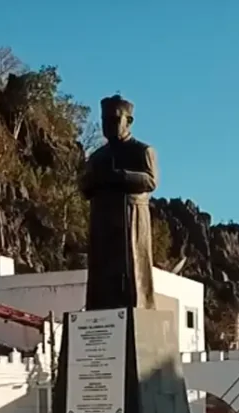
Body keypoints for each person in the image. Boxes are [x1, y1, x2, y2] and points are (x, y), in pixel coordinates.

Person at [81, 94, 158, 310]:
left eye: (115, 120)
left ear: (128, 121)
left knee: (133, 272)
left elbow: (151, 181)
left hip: (131, 217)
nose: (109, 126)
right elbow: (85, 188)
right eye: (105, 121)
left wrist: (119, 176)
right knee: (102, 274)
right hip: (102, 219)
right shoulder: (97, 156)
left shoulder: (142, 150)